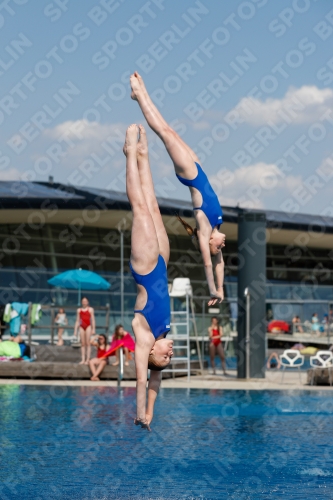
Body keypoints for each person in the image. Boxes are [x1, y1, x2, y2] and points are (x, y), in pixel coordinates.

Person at [130, 72, 225, 307]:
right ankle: (140, 93)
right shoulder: (216, 227)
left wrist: (212, 290)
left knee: (164, 132)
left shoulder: (205, 232)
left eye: (219, 247)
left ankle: (140, 95)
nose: (223, 246)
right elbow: (219, 263)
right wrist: (222, 289)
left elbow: (208, 264)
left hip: (190, 175)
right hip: (198, 169)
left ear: (210, 243)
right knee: (168, 130)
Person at [124, 123, 173, 431]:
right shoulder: (163, 335)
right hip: (162, 267)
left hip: (144, 268)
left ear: (152, 353)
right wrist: (153, 413)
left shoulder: (144, 340)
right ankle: (144, 155)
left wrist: (140, 412)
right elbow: (156, 383)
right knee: (154, 207)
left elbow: (143, 380)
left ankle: (129, 153)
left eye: (165, 358)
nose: (170, 354)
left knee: (140, 208)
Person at [74, 297, 95, 365]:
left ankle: (88, 359)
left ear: (87, 302)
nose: (84, 302)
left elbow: (93, 319)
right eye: (83, 301)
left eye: (85, 301)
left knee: (88, 343)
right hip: (81, 326)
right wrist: (75, 330)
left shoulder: (90, 309)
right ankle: (83, 359)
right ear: (81, 302)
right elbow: (77, 320)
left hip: (88, 326)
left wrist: (93, 328)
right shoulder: (79, 310)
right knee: (83, 343)